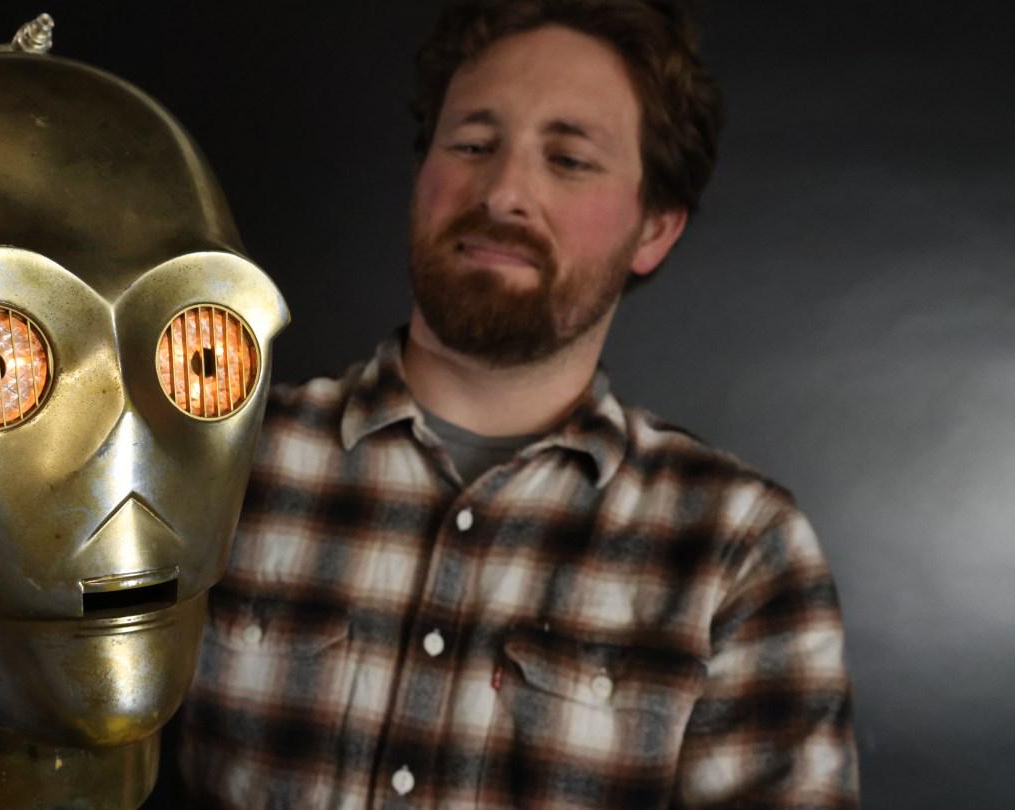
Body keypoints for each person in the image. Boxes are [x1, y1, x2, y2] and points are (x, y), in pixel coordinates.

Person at [172, 1, 859, 807]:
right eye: (472, 144)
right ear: (423, 172)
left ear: (654, 230)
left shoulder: (738, 549)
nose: (503, 193)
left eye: (568, 159)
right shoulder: (221, 460)